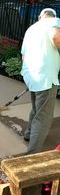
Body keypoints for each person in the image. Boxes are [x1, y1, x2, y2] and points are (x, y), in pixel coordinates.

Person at [21, 8, 60, 154]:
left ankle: (29, 134)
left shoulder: (31, 29)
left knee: (37, 109)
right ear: (51, 16)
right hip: (45, 78)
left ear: (39, 17)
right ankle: (31, 155)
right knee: (43, 118)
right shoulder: (53, 22)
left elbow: (23, 56)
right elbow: (57, 37)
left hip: (31, 75)